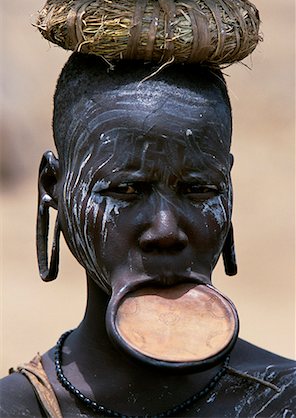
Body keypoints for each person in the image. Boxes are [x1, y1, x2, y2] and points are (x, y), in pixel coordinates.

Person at [0, 54, 295, 417]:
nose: (166, 231)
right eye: (125, 189)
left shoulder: (283, 400)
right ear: (53, 186)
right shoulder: (16, 408)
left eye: (199, 189)